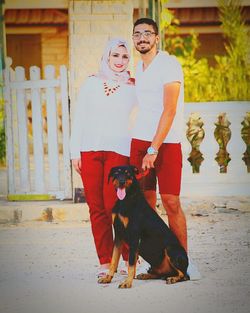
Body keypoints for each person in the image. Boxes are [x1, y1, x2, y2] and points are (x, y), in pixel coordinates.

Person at [130, 18, 200, 279]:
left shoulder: (169, 65)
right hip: (139, 141)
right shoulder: (138, 67)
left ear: (157, 38)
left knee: (171, 202)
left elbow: (169, 110)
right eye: (137, 34)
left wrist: (153, 149)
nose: (142, 38)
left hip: (165, 144)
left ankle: (183, 265)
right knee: (146, 206)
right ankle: (159, 265)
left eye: (147, 33)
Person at [70, 38, 136, 278]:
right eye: (115, 56)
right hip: (89, 150)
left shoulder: (133, 86)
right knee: (96, 207)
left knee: (116, 205)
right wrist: (74, 152)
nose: (119, 61)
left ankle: (130, 256)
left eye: (124, 56)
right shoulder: (91, 83)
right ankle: (105, 261)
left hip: (119, 150)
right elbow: (79, 117)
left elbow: (150, 109)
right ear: (107, 57)